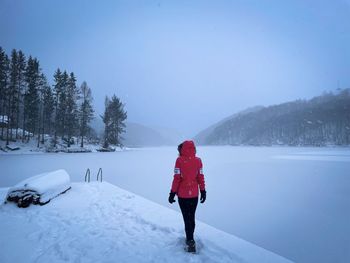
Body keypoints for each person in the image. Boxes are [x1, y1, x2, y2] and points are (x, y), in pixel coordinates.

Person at [168, 140, 206, 252]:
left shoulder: (179, 161)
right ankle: (191, 239)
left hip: (183, 196)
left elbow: (177, 178)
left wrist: (172, 193)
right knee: (191, 217)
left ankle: (190, 241)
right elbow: (201, 177)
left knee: (186, 218)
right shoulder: (198, 161)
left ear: (182, 149)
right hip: (194, 195)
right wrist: (203, 191)